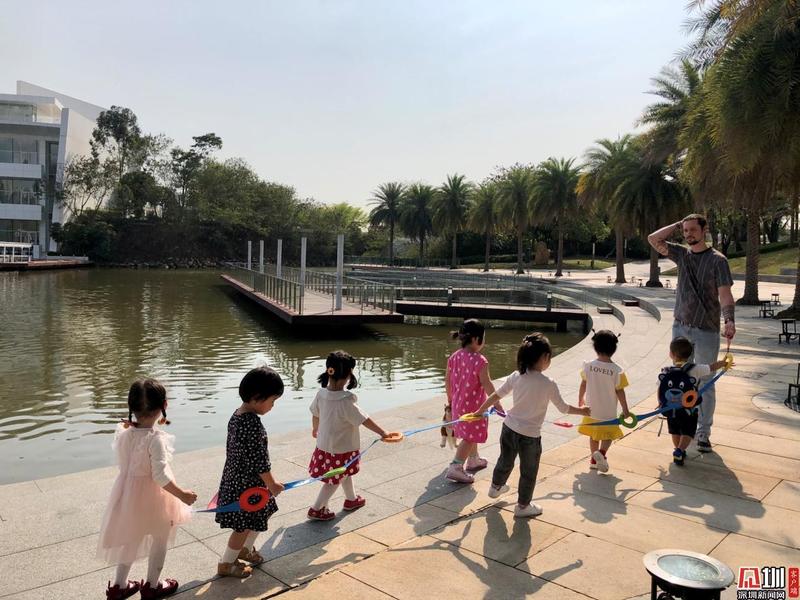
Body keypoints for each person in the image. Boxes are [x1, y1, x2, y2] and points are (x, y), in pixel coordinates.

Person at [98, 379, 197, 600]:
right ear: (164, 405)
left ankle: (119, 586)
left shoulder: (123, 433)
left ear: (131, 407)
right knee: (160, 538)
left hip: (127, 494)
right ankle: (152, 586)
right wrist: (182, 495)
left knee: (131, 538)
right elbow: (159, 476)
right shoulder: (155, 439)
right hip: (154, 497)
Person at [476, 333, 590, 518]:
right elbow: (563, 408)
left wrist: (479, 410)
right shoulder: (548, 383)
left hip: (509, 428)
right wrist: (583, 411)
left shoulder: (516, 376)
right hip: (530, 436)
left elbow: (496, 395)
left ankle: (495, 487)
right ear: (544, 358)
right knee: (528, 471)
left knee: (505, 460)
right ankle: (523, 506)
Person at [648, 214, 735, 452]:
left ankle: (703, 432)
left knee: (705, 380)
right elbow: (653, 239)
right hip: (681, 327)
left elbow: (725, 294)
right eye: (685, 231)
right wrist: (678, 224)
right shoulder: (681, 254)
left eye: (693, 230)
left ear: (704, 230)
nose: (688, 234)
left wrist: (729, 320)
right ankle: (680, 424)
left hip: (706, 330)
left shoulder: (718, 261)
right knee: (681, 378)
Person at [307, 350, 398, 521]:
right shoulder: (345, 400)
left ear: (329, 371)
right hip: (341, 448)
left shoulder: (321, 394)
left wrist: (315, 428)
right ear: (349, 374)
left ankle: (351, 499)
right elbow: (364, 419)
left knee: (344, 472)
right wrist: (383, 432)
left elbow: (315, 413)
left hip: (324, 445)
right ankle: (316, 508)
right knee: (335, 479)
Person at [215, 366, 285, 578]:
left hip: (239, 479)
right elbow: (259, 460)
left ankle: (245, 549)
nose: (272, 406)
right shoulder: (252, 424)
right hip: (246, 486)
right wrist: (271, 484)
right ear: (257, 397)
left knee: (260, 514)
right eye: (272, 401)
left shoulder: (237, 415)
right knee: (243, 527)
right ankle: (227, 563)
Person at [660, 337, 730, 466]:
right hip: (689, 410)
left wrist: (661, 403)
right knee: (688, 432)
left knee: (675, 431)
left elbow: (661, 388)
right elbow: (711, 367)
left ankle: (677, 449)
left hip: (672, 409)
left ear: (671, 354)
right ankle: (680, 450)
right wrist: (723, 363)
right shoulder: (695, 368)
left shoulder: (666, 370)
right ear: (690, 354)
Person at [445, 319, 496, 484]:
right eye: (483, 337)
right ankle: (456, 466)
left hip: (458, 404)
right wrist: (497, 402)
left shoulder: (454, 357)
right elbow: (487, 384)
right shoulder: (480, 361)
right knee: (469, 437)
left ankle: (473, 459)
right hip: (474, 407)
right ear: (475, 339)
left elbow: (447, 381)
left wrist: (450, 401)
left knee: (470, 434)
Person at [577, 330, 630, 473]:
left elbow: (583, 384)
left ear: (595, 347)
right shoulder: (617, 370)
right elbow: (620, 391)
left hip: (591, 410)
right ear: (614, 348)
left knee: (593, 436)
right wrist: (625, 409)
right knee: (608, 435)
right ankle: (601, 453)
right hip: (608, 412)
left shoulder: (588, 366)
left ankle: (594, 461)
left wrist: (580, 399)